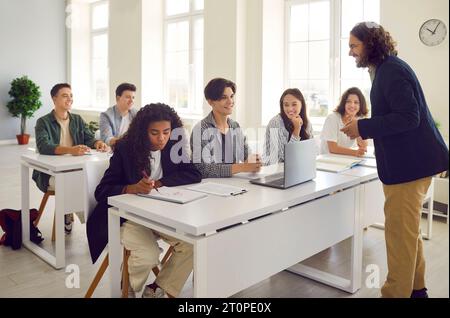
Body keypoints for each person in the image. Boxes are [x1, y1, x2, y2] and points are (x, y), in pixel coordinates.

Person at [341, 22, 449, 298]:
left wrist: (363, 127)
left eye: (354, 45)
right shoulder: (386, 68)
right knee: (407, 233)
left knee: (399, 237)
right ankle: (416, 290)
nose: (350, 51)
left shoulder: (391, 71)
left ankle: (395, 293)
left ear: (370, 44)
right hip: (412, 165)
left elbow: (408, 117)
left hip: (409, 167)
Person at [87, 103, 202, 298]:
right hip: (126, 217)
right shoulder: (125, 148)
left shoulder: (174, 145)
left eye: (166, 132)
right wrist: (130, 188)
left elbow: (193, 174)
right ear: (143, 131)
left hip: (159, 214)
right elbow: (102, 191)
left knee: (192, 246)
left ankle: (155, 289)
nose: (162, 138)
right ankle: (129, 286)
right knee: (148, 255)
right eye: (154, 133)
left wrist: (159, 182)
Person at [33, 83, 108, 233]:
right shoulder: (43, 122)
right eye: (65, 95)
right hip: (50, 173)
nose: (69, 99)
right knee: (75, 183)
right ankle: (92, 223)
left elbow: (88, 138)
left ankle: (91, 220)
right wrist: (70, 150)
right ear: (54, 99)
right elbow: (44, 146)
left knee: (94, 181)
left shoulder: (77, 119)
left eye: (71, 96)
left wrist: (98, 143)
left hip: (75, 168)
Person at [190, 78, 262, 177]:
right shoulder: (200, 129)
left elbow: (246, 156)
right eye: (224, 97)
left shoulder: (235, 126)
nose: (230, 101)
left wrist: (254, 162)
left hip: (234, 184)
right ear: (210, 102)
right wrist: (242, 167)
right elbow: (204, 169)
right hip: (210, 186)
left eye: (231, 96)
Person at [263, 88, 313, 165]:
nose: (290, 109)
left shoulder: (306, 122)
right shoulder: (275, 123)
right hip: (274, 170)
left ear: (301, 105)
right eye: (286, 105)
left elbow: (311, 150)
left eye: (294, 104)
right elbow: (285, 156)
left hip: (297, 167)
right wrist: (296, 129)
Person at [320, 87, 369, 156]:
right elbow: (333, 148)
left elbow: (364, 146)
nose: (352, 105)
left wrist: (357, 125)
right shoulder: (332, 118)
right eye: (348, 101)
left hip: (344, 158)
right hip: (328, 159)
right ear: (344, 103)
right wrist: (355, 152)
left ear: (360, 105)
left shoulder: (359, 119)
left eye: (356, 102)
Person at [100, 83, 138, 147]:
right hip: (114, 151)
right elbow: (107, 139)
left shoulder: (136, 114)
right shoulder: (106, 115)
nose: (131, 101)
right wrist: (129, 141)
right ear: (118, 98)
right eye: (128, 97)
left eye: (133, 97)